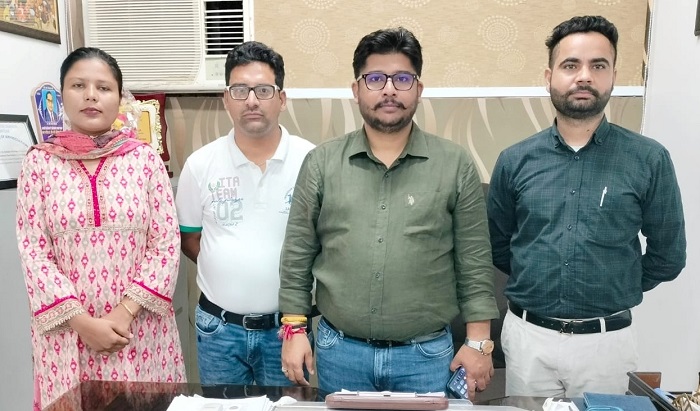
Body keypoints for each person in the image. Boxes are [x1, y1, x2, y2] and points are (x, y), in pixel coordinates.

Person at [279, 27, 499, 400]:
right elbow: (298, 254)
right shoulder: (321, 163)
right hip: (340, 352)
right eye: (375, 79)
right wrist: (294, 330)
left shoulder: (454, 163)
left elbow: (474, 261)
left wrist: (479, 342)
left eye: (402, 79)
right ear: (356, 89)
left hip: (426, 357)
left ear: (419, 88)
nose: (389, 90)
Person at [487, 15, 686, 398]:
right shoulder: (514, 160)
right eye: (570, 65)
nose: (584, 77)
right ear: (549, 77)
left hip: (607, 344)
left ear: (613, 76)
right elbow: (498, 245)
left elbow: (669, 256)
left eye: (598, 66)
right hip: (529, 339)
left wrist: (615, 283)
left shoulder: (649, 159)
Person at [16, 47, 186, 410]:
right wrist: (83, 323)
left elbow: (166, 245)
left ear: (119, 98)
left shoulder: (144, 160)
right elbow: (34, 252)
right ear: (63, 95)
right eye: (79, 85)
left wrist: (123, 313)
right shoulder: (39, 163)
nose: (91, 95)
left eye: (104, 87)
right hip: (68, 335)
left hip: (138, 330)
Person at [175, 41, 315, 386]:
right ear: (226, 99)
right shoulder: (200, 164)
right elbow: (190, 239)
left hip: (288, 330)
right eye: (240, 90)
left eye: (263, 90)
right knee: (223, 409)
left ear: (282, 99)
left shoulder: (312, 161)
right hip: (219, 330)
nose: (251, 100)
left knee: (289, 409)